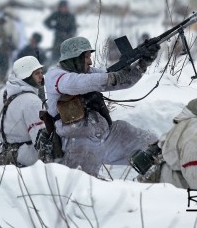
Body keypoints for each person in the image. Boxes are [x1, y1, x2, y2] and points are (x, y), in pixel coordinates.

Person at [44, 36, 159, 177]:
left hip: (107, 135)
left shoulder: (89, 73)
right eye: (86, 57)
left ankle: (158, 178)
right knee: (81, 185)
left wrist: (142, 64)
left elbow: (122, 80)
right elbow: (76, 84)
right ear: (74, 57)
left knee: (152, 146)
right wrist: (111, 77)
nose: (90, 61)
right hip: (78, 142)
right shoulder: (55, 75)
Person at [0, 56, 47, 167]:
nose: (41, 76)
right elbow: (41, 140)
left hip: (5, 157)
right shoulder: (32, 101)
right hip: (27, 162)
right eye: (36, 73)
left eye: (41, 72)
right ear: (26, 76)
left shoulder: (5, 93)